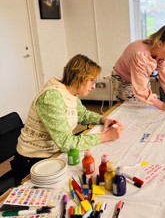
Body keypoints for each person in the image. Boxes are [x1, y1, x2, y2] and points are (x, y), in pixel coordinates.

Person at [12, 54, 125, 185]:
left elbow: (82, 115)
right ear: (79, 77)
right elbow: (66, 143)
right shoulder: (52, 97)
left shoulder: (70, 93)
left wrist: (103, 119)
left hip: (54, 153)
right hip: (33, 161)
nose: (94, 86)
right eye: (92, 80)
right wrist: (105, 136)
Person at [111, 24, 165, 111]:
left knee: (147, 106)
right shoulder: (140, 54)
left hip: (141, 77)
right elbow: (141, 89)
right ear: (159, 44)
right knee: (133, 107)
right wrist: (161, 105)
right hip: (123, 78)